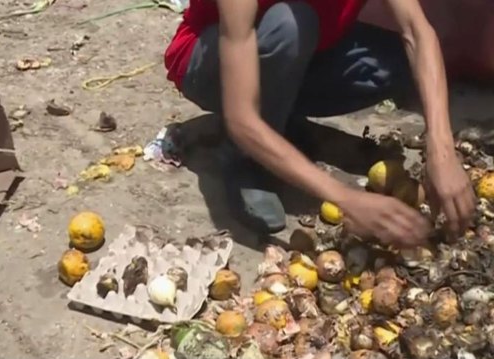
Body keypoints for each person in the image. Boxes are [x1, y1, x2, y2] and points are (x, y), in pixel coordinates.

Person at [164, 0, 476, 247]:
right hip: (210, 62)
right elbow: (241, 117)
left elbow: (417, 32)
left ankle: (278, 120)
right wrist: (345, 197)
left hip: (301, 48)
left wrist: (442, 149)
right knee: (290, 23)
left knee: (392, 62)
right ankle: (247, 161)